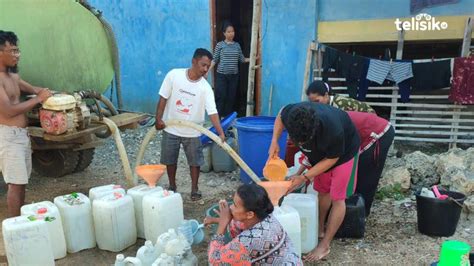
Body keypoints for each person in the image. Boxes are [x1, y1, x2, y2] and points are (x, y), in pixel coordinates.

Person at [268, 102, 360, 262]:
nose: (301, 145)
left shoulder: (333, 129)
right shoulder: (292, 114)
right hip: (320, 154)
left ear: (315, 130)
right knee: (322, 191)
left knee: (338, 198)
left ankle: (325, 244)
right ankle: (319, 229)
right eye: (298, 142)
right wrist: (274, 141)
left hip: (343, 154)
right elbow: (280, 114)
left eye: (304, 142)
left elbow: (332, 158)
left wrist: (304, 177)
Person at [155, 48, 225, 201]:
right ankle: (172, 186)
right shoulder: (174, 75)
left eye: (208, 66)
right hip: (171, 127)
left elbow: (212, 112)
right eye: (203, 65)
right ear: (194, 62)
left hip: (193, 131)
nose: (206, 69)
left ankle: (195, 189)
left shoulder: (205, 88)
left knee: (195, 161)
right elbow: (163, 98)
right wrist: (158, 119)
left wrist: (220, 132)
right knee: (169, 159)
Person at [296, 111, 395, 216]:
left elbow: (330, 157)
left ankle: (360, 214)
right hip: (356, 134)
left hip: (378, 132)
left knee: (366, 176)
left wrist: (305, 176)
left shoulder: (329, 130)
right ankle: (348, 210)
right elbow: (310, 156)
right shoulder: (316, 127)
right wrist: (299, 175)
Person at [0, 30, 52, 217]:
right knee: (15, 184)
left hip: (21, 135)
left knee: (21, 182)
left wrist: (51, 94)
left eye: (18, 50)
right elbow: (8, 110)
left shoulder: (12, 75)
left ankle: (21, 220)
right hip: (8, 136)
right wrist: (39, 99)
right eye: (12, 51)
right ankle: (16, 225)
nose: (17, 55)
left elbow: (34, 90)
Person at [205, 184, 302, 265]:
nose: (230, 207)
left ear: (250, 214)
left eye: (235, 205)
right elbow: (240, 224)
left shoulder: (249, 240)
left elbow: (215, 261)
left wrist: (222, 225)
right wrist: (219, 220)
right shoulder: (267, 218)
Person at [209, 22, 250, 117]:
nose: (231, 33)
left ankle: (227, 120)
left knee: (231, 98)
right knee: (221, 97)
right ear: (224, 33)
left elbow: (242, 59)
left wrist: (253, 58)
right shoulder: (220, 45)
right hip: (222, 76)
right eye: (229, 31)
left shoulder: (237, 45)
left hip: (234, 76)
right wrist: (207, 71)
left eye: (233, 31)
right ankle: (218, 119)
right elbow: (215, 60)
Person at [306, 80, 375, 113]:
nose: (314, 105)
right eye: (312, 102)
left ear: (326, 95)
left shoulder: (340, 104)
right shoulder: (323, 107)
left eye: (317, 101)